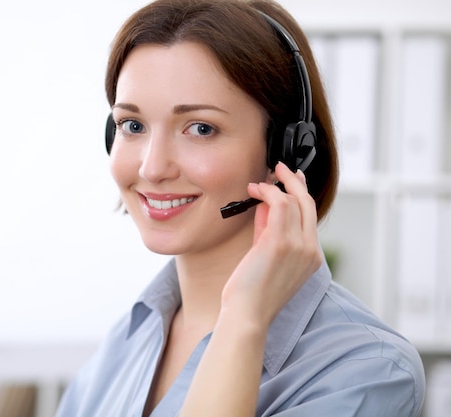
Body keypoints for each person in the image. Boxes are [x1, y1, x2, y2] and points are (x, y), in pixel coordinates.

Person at [55, 0, 426, 416]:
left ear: (285, 151)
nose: (152, 167)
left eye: (201, 128)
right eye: (133, 125)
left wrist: (243, 321)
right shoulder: (125, 340)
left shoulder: (366, 370)